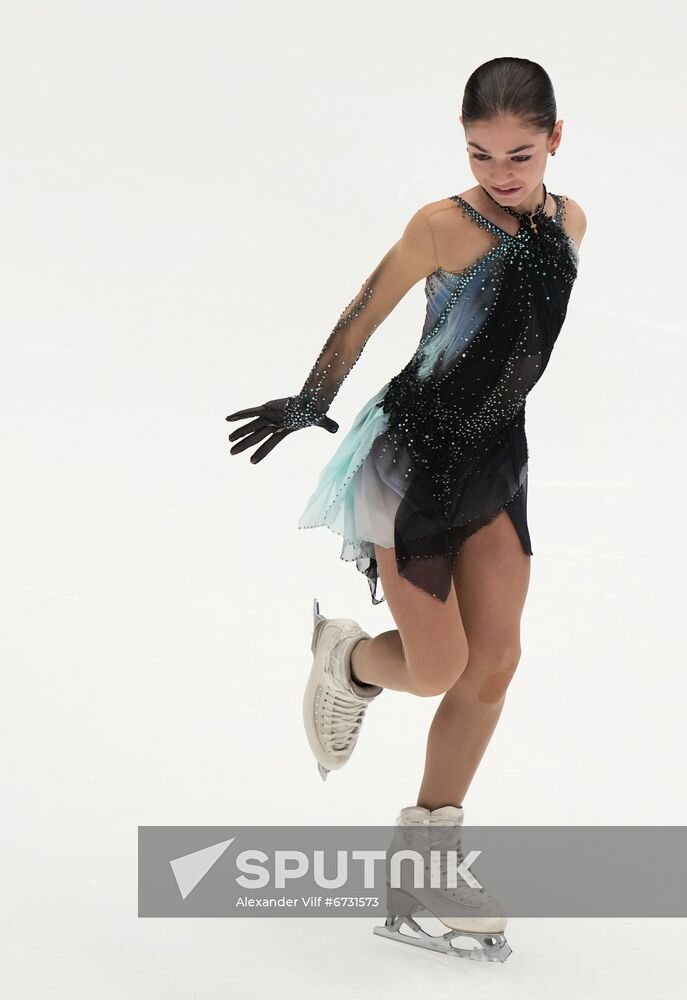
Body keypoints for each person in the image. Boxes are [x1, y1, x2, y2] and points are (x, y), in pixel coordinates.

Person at [226, 56, 586, 962]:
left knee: (493, 664)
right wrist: (312, 399)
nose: (498, 172)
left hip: (497, 457)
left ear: (553, 138)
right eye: (478, 152)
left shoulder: (570, 222)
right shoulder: (441, 224)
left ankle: (425, 862)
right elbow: (365, 311)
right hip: (414, 460)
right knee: (433, 669)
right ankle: (348, 660)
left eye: (517, 153)